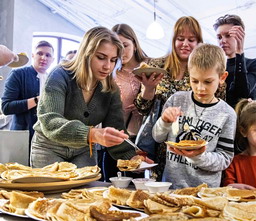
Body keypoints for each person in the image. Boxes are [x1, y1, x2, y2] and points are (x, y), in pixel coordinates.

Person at [30, 26, 136, 168]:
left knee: (86, 190)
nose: (108, 66)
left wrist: (132, 158)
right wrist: (91, 134)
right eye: (101, 57)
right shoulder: (60, 75)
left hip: (84, 150)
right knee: (51, 189)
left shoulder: (110, 89)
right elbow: (50, 121)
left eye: (113, 60)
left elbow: (116, 129)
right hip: (49, 147)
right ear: (86, 53)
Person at [135, 16, 225, 180]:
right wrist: (148, 88)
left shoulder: (212, 72)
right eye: (180, 39)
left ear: (199, 42)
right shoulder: (156, 66)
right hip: (161, 145)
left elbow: (217, 111)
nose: (185, 44)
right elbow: (143, 109)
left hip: (196, 143)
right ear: (173, 40)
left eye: (191, 39)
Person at [152, 44, 236, 188]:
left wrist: (198, 157)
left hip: (205, 191)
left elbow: (225, 159)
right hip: (172, 186)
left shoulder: (227, 114)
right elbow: (157, 137)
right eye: (194, 81)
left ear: (222, 77)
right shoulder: (176, 100)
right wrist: (164, 121)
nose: (200, 88)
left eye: (208, 82)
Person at [1, 40, 55, 144]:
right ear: (33, 55)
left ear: (52, 60)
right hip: (22, 137)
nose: (44, 58)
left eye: (48, 55)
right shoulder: (18, 74)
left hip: (47, 140)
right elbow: (6, 107)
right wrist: (37, 100)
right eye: (40, 53)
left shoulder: (54, 80)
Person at [213, 14, 256, 108]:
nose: (223, 41)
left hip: (242, 120)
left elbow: (242, 94)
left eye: (228, 35)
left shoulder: (255, 63)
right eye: (219, 37)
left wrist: (239, 51)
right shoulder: (215, 67)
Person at [113, 23, 147, 140]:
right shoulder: (112, 74)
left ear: (135, 45)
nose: (121, 52)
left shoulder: (151, 66)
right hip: (123, 137)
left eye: (125, 45)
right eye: (117, 47)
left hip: (150, 135)